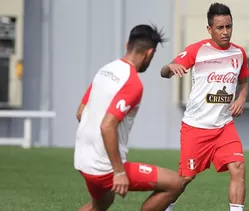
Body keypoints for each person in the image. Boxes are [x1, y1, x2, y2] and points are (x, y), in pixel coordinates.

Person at [74, 24, 183, 211]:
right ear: (149, 54)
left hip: (83, 160)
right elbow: (107, 126)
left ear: (127, 44)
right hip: (104, 168)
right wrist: (118, 172)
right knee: (175, 183)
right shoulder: (132, 83)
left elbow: (81, 113)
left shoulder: (105, 70)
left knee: (100, 205)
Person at [160, 3, 249, 211]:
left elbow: (244, 82)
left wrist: (241, 98)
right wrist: (169, 67)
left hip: (224, 126)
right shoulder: (196, 50)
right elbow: (164, 72)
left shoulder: (239, 53)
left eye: (229, 26)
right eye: (220, 28)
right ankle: (165, 207)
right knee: (185, 178)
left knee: (238, 167)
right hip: (196, 127)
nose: (225, 32)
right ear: (209, 29)